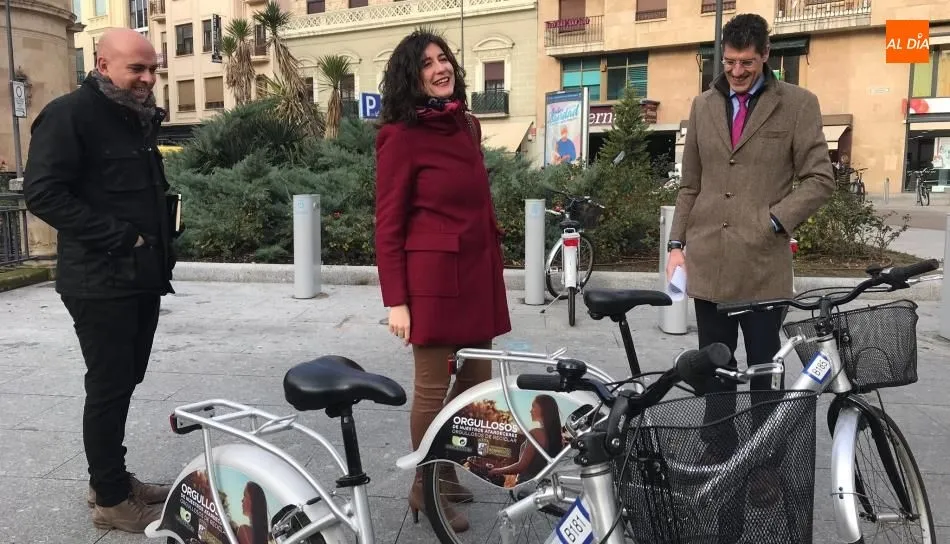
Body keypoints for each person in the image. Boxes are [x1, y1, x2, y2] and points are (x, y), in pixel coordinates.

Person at [22, 28, 178, 532]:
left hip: (140, 278)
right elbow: (43, 194)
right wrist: (122, 237)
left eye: (152, 69)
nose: (147, 78)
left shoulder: (133, 117)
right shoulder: (71, 114)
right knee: (109, 387)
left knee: (124, 381)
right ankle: (112, 500)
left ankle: (108, 478)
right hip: (99, 280)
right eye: (137, 68)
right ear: (102, 62)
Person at [375, 29, 511, 533]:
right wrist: (397, 302)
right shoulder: (399, 136)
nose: (441, 68)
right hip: (431, 282)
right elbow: (388, 223)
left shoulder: (467, 126)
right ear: (411, 78)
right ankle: (423, 488)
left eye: (444, 58)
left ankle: (448, 474)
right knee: (433, 391)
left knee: (473, 386)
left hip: (477, 276)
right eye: (427, 64)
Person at [666, 13, 834, 410]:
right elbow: (690, 184)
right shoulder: (702, 105)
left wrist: (774, 221)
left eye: (747, 62)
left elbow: (820, 179)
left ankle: (765, 458)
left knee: (765, 371)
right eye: (729, 62)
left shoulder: (797, 104)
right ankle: (717, 452)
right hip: (710, 265)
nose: (737, 71)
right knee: (715, 370)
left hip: (762, 268)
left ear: (766, 56)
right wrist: (676, 244)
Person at [487, 395, 564, 486]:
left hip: (526, 487)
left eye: (533, 406)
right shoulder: (558, 438)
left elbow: (521, 467)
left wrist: (496, 471)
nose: (530, 410)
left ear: (543, 409)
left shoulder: (536, 433)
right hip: (544, 486)